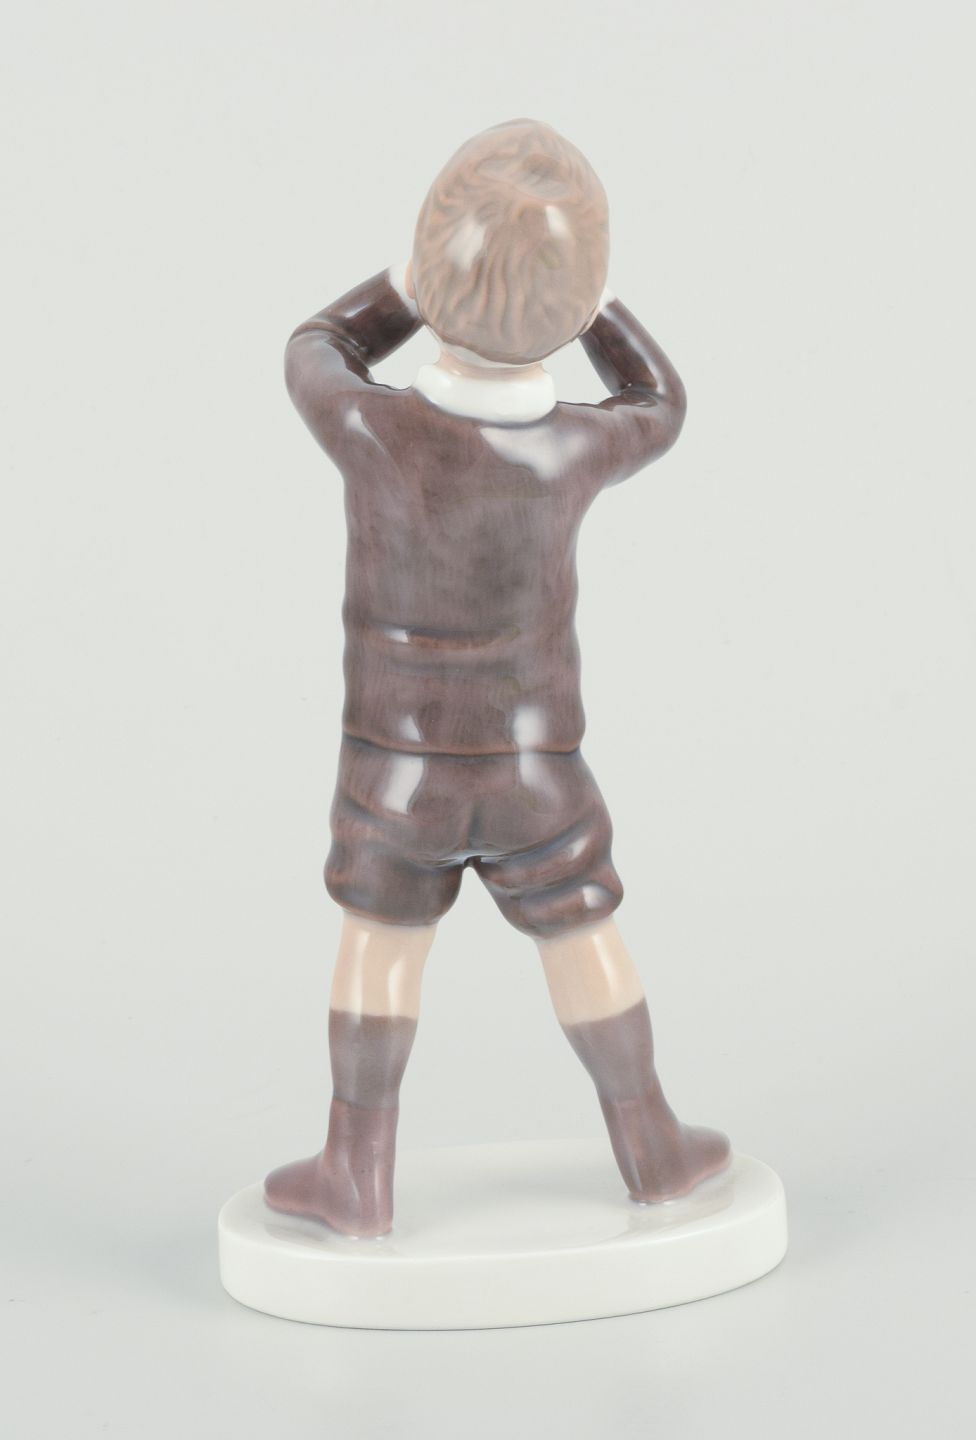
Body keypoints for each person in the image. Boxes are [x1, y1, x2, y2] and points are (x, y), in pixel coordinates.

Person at [265, 119, 730, 1236]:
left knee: (378, 943)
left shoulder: (368, 425)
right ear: (571, 315)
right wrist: (596, 310)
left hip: (392, 772)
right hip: (536, 769)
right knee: (582, 932)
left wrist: (406, 288)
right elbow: (660, 404)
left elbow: (316, 341)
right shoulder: (572, 447)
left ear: (432, 282)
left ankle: (356, 1170)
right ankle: (650, 1140)